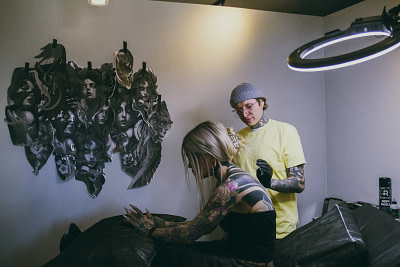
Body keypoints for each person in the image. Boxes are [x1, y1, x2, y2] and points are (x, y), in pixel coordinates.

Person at [124, 121, 276, 267]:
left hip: (248, 263)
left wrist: (150, 230)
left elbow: (191, 233)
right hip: (235, 251)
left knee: (168, 254)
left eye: (192, 158)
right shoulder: (231, 177)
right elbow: (199, 224)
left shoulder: (230, 187)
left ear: (209, 157)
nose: (190, 165)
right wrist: (158, 223)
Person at [229, 82, 306, 239]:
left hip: (279, 228)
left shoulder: (285, 131)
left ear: (261, 102)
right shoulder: (235, 139)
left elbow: (299, 183)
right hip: (246, 227)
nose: (245, 114)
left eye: (249, 106)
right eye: (239, 110)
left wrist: (270, 182)